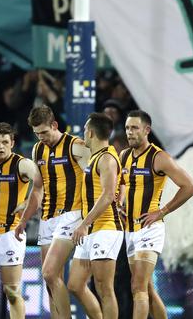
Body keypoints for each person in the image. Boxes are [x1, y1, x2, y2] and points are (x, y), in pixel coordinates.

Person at [14, 105, 90, 319]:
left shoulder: (76, 146)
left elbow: (95, 179)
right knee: (51, 279)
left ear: (55, 125)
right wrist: (24, 220)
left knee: (48, 272)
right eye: (37, 134)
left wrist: (88, 217)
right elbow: (37, 189)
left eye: (44, 132)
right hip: (47, 218)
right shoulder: (38, 150)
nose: (41, 137)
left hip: (72, 214)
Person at [120, 110, 193, 319]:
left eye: (134, 128)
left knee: (137, 287)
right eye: (127, 128)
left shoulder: (159, 157)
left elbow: (189, 187)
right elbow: (124, 187)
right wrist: (120, 205)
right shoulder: (124, 156)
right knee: (147, 289)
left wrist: (162, 211)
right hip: (130, 230)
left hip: (150, 230)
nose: (129, 132)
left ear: (147, 130)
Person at [0, 122, 40, 318]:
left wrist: (28, 201)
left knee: (12, 292)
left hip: (10, 234)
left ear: (12, 143)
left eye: (5, 141)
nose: (1, 146)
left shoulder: (22, 164)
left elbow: (44, 184)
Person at [66, 113, 122, 319]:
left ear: (90, 132)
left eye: (84, 131)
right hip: (91, 229)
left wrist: (83, 224)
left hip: (105, 228)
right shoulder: (97, 157)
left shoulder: (107, 158)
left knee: (104, 288)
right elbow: (119, 186)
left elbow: (108, 195)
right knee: (75, 284)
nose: (83, 135)